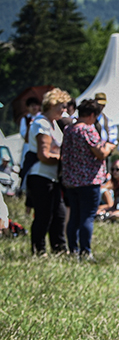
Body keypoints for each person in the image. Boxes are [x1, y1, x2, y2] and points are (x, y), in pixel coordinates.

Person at [59, 98, 116, 259]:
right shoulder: (88, 130)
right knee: (87, 217)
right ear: (91, 114)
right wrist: (110, 146)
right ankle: (85, 251)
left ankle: (73, 249)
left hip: (71, 180)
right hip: (88, 180)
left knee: (74, 217)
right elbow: (100, 153)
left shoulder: (69, 129)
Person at [26, 89, 70, 255]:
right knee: (44, 215)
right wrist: (64, 159)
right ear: (52, 105)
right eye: (62, 107)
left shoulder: (52, 123)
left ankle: (59, 249)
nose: (64, 110)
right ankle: (39, 250)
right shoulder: (41, 123)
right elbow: (43, 155)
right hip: (40, 176)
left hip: (52, 177)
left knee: (59, 214)